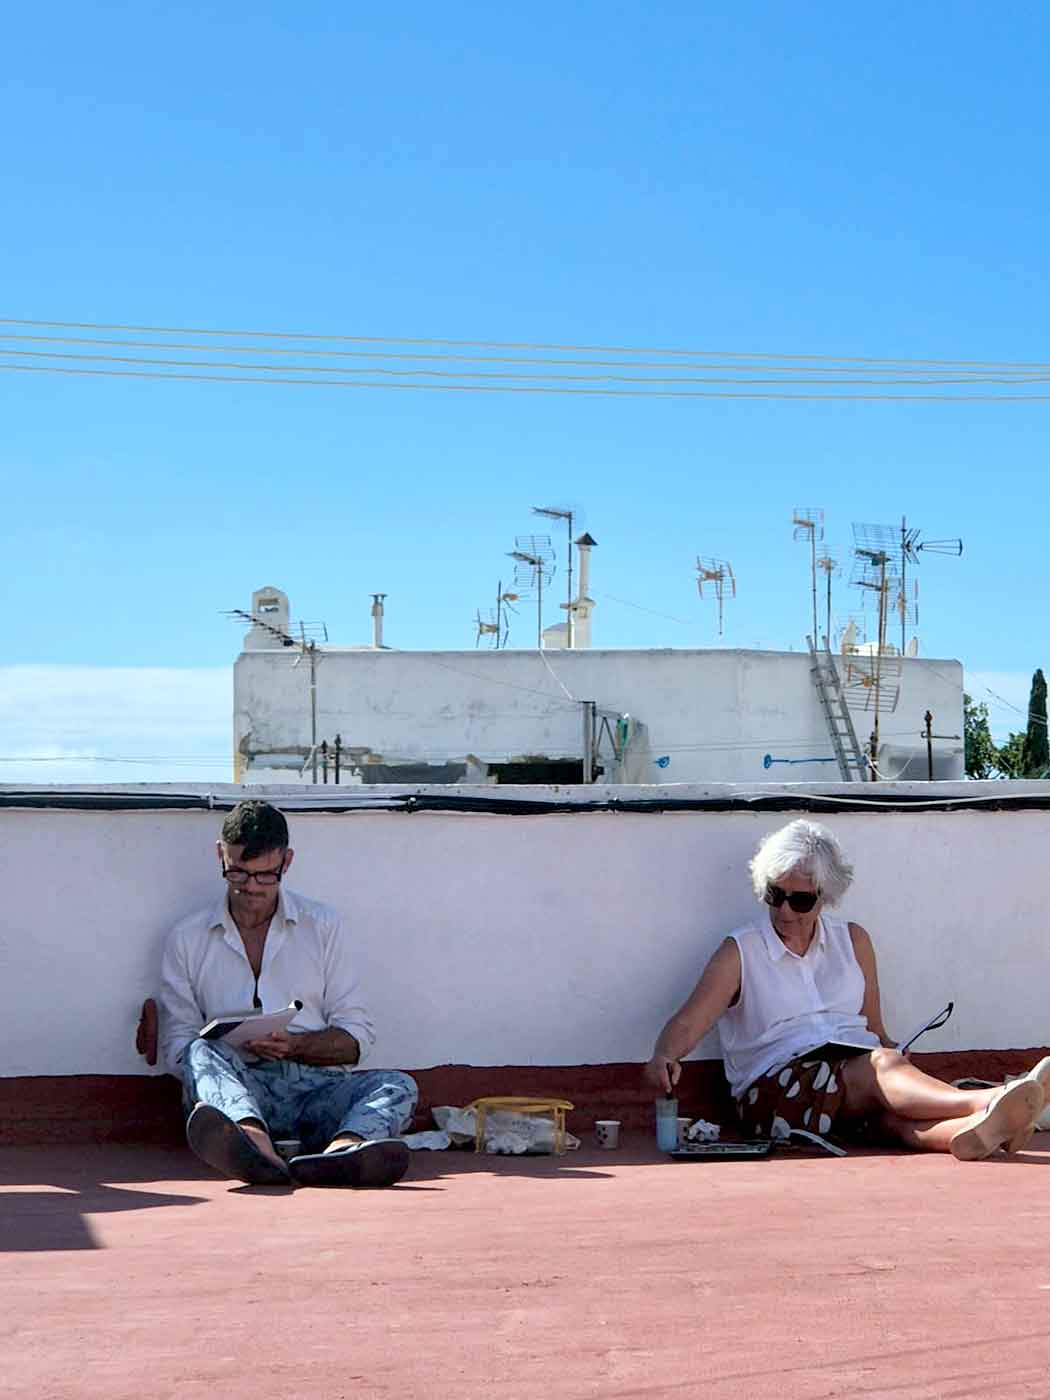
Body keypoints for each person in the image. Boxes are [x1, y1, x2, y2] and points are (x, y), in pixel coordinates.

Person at [644, 819, 1049, 1161]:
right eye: (775, 895)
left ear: (825, 897)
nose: (784, 910)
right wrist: (664, 1055)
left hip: (852, 1074)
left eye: (799, 901)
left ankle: (974, 1132)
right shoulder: (741, 951)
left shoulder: (853, 941)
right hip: (775, 1091)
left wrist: (894, 1049)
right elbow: (688, 1021)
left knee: (890, 1110)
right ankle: (989, 1101)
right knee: (879, 1068)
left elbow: (874, 1028)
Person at [159, 799, 418, 1187]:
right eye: (238, 874)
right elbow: (176, 1046)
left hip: (314, 1090)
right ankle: (251, 1143)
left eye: (266, 876)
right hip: (232, 1093)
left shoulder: (323, 926)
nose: (250, 888)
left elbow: (358, 1037)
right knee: (198, 1049)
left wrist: (294, 1046)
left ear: (287, 862)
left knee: (398, 1085)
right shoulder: (187, 937)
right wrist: (231, 1049)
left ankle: (341, 1153)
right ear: (220, 856)